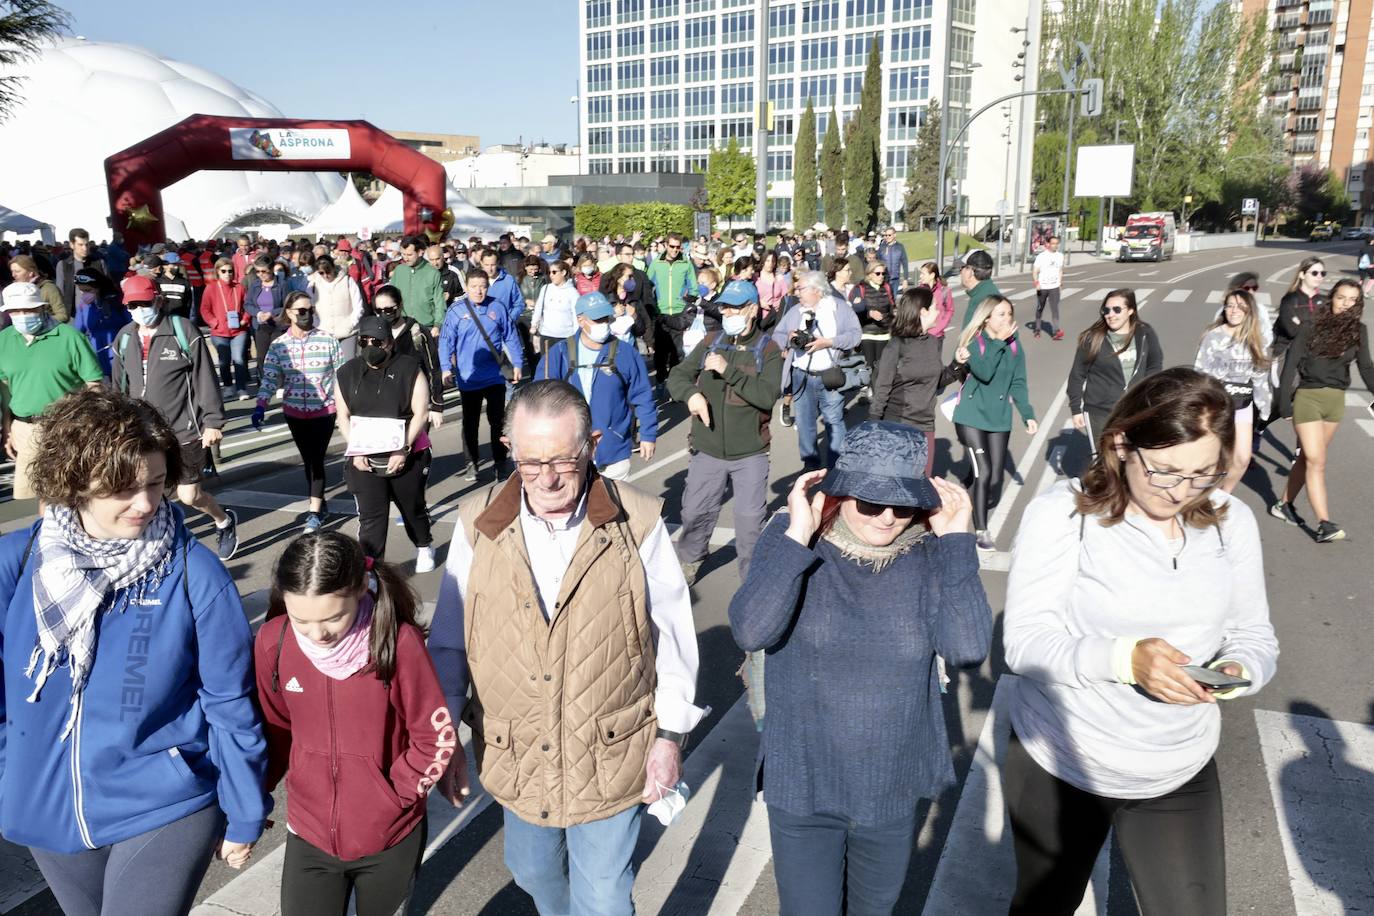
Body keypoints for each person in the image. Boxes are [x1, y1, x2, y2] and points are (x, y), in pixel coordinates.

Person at [1003, 367, 1278, 915]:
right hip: (1064, 763)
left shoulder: (1232, 521)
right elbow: (1025, 643)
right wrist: (1126, 659)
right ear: (1121, 444)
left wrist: (1238, 672)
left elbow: (1254, 635)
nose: (1181, 491)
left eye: (1203, 474)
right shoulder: (1064, 513)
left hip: (1177, 767)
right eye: (1165, 471)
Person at [428, 380, 705, 916]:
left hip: (610, 748)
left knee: (602, 897)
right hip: (518, 750)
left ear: (593, 445)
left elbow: (671, 635)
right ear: (509, 449)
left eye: (562, 459)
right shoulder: (478, 522)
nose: (547, 478)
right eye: (530, 462)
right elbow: (448, 641)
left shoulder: (638, 519)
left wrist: (670, 737)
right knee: (531, 872)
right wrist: (445, 740)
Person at [0, 387, 270, 916]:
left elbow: (230, 701)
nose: (146, 503)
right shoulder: (17, 561)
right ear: (74, 481)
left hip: (162, 798)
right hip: (41, 798)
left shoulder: (194, 571)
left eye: (155, 483)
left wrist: (245, 807)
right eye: (123, 488)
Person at [731, 423, 990, 915]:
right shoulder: (793, 542)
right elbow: (752, 631)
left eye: (904, 504)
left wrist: (958, 543)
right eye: (871, 502)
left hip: (889, 785)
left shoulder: (930, 554)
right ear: (842, 491)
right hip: (805, 779)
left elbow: (968, 647)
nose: (889, 518)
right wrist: (798, 536)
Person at [256, 531, 453, 916]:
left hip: (390, 838)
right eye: (301, 620)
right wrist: (251, 800)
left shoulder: (398, 642)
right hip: (308, 834)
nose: (318, 634)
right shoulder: (272, 643)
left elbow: (434, 735)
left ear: (363, 588)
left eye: (333, 617)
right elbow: (273, 732)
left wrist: (397, 796)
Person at [111, 275, 239, 560]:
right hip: (141, 432)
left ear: (158, 299)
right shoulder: (125, 337)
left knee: (190, 496)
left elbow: (204, 377)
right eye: (132, 305)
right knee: (149, 494)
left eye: (144, 302)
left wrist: (214, 421)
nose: (138, 309)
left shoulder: (182, 330)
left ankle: (223, 520)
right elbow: (119, 386)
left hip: (184, 429)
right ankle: (158, 547)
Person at [668, 279, 785, 583]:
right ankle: (692, 557)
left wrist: (727, 370)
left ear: (753, 309)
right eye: (725, 307)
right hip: (706, 448)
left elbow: (766, 395)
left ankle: (752, 578)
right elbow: (678, 376)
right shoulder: (710, 341)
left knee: (749, 522)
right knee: (695, 512)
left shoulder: (769, 349)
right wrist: (691, 395)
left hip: (750, 452)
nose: (729, 313)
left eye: (736, 307)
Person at [1271, 279, 1374, 542]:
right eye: (1341, 298)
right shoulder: (1311, 325)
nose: (1346, 304)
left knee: (1307, 458)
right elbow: (1291, 365)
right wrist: (1284, 404)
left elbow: (1366, 368)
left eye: (1353, 300)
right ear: (1332, 298)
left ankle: (1284, 505)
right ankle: (1324, 524)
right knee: (1317, 461)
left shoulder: (1358, 331)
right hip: (1309, 399)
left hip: (1335, 402)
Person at [334, 316, 437, 570]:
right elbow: (342, 416)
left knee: (411, 508)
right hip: (364, 454)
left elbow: (421, 412)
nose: (370, 346)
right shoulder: (347, 373)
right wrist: (355, 450)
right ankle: (371, 566)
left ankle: (424, 544)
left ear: (389, 343)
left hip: (407, 450)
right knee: (372, 516)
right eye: (364, 341)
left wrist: (402, 449)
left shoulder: (409, 368)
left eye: (377, 341)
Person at [535, 291, 658, 480]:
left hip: (613, 450)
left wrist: (648, 435)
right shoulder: (559, 353)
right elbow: (539, 399)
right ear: (580, 320)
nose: (604, 324)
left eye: (606, 318)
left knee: (614, 508)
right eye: (597, 320)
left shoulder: (625, 353)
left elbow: (642, 396)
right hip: (569, 453)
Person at [0, 281, 104, 501]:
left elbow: (94, 385)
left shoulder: (69, 336)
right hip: (25, 428)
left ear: (42, 308)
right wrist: (8, 428)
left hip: (66, 427)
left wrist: (90, 426)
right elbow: (7, 387)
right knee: (42, 496)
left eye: (28, 309)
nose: (22, 315)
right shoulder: (4, 340)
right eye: (15, 311)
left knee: (63, 496)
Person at [252, 292, 345, 532]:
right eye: (301, 311)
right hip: (294, 412)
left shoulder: (328, 340)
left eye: (310, 310)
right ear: (289, 313)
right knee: (308, 460)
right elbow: (270, 378)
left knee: (316, 460)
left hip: (324, 411)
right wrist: (261, 405)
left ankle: (314, 513)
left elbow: (342, 376)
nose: (307, 315)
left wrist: (347, 406)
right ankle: (319, 500)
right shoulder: (279, 345)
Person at [952, 295, 1038, 551]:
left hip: (999, 417)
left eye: (1009, 314)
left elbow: (1018, 382)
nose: (1007, 319)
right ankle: (981, 529)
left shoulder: (1014, 346)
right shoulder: (974, 343)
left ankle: (971, 493)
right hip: (971, 416)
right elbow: (985, 372)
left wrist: (1027, 413)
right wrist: (998, 342)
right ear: (987, 317)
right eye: (1001, 314)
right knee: (985, 471)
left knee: (994, 476)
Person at [438, 269, 525, 481]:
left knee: (497, 421)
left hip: (495, 376)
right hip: (468, 377)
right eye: (474, 286)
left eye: (483, 286)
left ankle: (500, 462)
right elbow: (446, 340)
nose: (479, 291)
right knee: (470, 422)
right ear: (466, 287)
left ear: (488, 286)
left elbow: (511, 336)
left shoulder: (497, 307)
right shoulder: (457, 311)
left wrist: (517, 363)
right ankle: (471, 462)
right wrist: (445, 368)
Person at [871, 287, 963, 475]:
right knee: (897, 489)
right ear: (923, 312)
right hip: (898, 427)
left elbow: (934, 382)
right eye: (935, 307)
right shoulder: (897, 345)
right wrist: (872, 429)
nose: (939, 312)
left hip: (926, 426)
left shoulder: (931, 342)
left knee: (921, 486)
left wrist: (957, 364)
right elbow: (881, 391)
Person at [773, 272, 860, 470]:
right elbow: (777, 335)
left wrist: (829, 343)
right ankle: (810, 465)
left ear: (816, 290)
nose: (797, 293)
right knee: (804, 424)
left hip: (830, 375)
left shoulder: (839, 309)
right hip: (801, 376)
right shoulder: (795, 311)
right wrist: (788, 339)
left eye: (801, 289)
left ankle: (835, 467)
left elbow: (856, 335)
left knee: (834, 421)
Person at [1193, 288, 1272, 494]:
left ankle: (1223, 496)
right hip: (1216, 405)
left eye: (1240, 306)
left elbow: (1260, 376)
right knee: (1211, 457)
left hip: (1242, 403)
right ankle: (1200, 497)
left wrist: (1265, 406)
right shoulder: (1213, 336)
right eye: (1229, 306)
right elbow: (1200, 373)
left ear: (1249, 310)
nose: (1233, 310)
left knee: (1242, 457)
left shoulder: (1256, 339)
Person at [1067, 290, 1164, 448]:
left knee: (1134, 460)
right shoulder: (1093, 338)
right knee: (1104, 462)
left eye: (1117, 309)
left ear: (1131, 310)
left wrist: (1147, 394)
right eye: (1106, 310)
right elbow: (1077, 375)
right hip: (1099, 411)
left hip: (1134, 410)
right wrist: (1076, 408)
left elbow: (1155, 364)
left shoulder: (1145, 333)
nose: (1110, 315)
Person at [372, 285, 446, 432]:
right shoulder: (375, 336)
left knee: (417, 450)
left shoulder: (419, 333)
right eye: (378, 311)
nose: (383, 314)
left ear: (400, 306)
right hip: (388, 407)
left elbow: (434, 369)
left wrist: (436, 405)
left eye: (388, 309)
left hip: (417, 403)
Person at [646, 232, 698, 384]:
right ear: (666, 245)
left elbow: (693, 288)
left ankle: (675, 385)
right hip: (661, 313)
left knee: (677, 353)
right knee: (661, 353)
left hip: (678, 313)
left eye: (678, 247)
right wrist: (653, 308)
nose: (675, 250)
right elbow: (648, 286)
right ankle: (661, 381)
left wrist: (687, 306)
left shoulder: (686, 263)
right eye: (672, 246)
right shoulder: (656, 263)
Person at [201, 256, 252, 400]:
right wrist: (214, 322)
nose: (227, 274)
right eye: (223, 271)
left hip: (238, 331)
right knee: (224, 360)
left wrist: (245, 319)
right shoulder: (211, 288)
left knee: (239, 359)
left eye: (230, 271)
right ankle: (228, 386)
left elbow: (247, 306)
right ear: (218, 272)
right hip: (219, 332)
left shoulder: (239, 287)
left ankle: (241, 388)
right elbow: (204, 309)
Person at [71, 267, 129, 377]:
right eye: (81, 290)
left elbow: (128, 323)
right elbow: (78, 331)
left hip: (118, 352)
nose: (84, 294)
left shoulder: (117, 301)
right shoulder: (84, 305)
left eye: (88, 290)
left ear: (98, 287)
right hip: (96, 354)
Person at [308, 254, 364, 362]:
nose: (325, 276)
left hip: (347, 333)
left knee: (348, 364)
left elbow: (358, 306)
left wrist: (351, 323)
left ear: (333, 268)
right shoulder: (313, 284)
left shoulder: (348, 281)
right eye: (321, 273)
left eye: (328, 271)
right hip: (323, 333)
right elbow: (309, 307)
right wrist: (317, 325)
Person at [848, 260, 894, 390]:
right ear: (869, 274)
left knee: (882, 367)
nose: (881, 276)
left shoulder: (887, 287)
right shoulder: (860, 288)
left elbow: (892, 309)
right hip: (867, 333)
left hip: (884, 334)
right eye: (878, 273)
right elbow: (854, 311)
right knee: (870, 367)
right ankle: (871, 393)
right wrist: (870, 314)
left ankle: (877, 393)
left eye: (883, 274)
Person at [244, 255, 287, 387]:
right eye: (257, 271)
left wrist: (272, 313)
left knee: (277, 355)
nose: (260, 274)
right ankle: (265, 382)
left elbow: (287, 305)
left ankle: (280, 384)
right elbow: (248, 304)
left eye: (264, 271)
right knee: (262, 356)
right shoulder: (255, 285)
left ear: (271, 269)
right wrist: (258, 313)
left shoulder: (282, 284)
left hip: (277, 325)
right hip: (260, 325)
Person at [1272, 256, 1325, 361]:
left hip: (1312, 357)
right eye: (1314, 273)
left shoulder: (1325, 301)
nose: (1319, 276)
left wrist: (1301, 323)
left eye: (1322, 273)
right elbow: (1292, 330)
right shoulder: (1289, 300)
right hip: (1287, 355)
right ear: (1302, 275)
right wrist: (1314, 326)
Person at [391, 236, 446, 337]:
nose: (405, 258)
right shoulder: (399, 271)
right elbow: (391, 297)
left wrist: (438, 325)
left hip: (427, 327)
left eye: (410, 255)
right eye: (403, 254)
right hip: (402, 326)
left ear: (420, 252)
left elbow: (439, 302)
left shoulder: (433, 272)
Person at [531, 258, 580, 360]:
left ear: (563, 272)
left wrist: (576, 336)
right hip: (546, 335)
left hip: (565, 336)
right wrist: (534, 324)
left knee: (565, 367)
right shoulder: (546, 288)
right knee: (547, 367)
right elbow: (539, 308)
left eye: (554, 272)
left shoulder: (572, 293)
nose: (551, 275)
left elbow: (576, 317)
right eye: (549, 272)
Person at [54, 227, 107, 314]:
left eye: (87, 244)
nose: (85, 248)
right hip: (73, 314)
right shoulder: (63, 265)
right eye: (80, 245)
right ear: (72, 245)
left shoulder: (99, 263)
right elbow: (60, 291)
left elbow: (107, 288)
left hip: (97, 312)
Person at [10, 254, 68, 322]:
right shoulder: (13, 290)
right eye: (12, 271)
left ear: (30, 272)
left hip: (46, 331)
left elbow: (63, 315)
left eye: (17, 271)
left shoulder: (48, 288)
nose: (13, 275)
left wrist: (40, 322)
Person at [1031, 235, 1065, 340]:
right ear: (1048, 244)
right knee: (1040, 308)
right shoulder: (1042, 256)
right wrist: (1037, 283)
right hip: (1043, 287)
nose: (1055, 246)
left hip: (1054, 286)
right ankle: (1037, 329)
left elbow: (1060, 270)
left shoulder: (1060, 256)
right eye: (1053, 243)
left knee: (1055, 309)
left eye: (1056, 243)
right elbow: (1035, 271)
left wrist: (1060, 284)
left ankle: (1056, 331)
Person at [916, 260, 956, 341]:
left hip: (937, 336)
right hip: (921, 334)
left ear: (932, 275)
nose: (920, 276)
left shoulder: (944, 291)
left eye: (923, 274)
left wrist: (940, 327)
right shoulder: (919, 290)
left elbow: (949, 310)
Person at [156, 255, 195, 320]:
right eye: (173, 265)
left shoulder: (184, 282)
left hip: (180, 318)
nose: (176, 267)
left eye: (178, 264)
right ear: (165, 265)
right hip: (162, 320)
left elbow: (188, 302)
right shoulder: (158, 282)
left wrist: (185, 318)